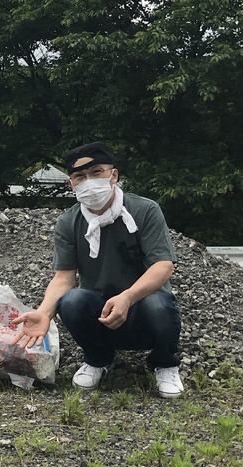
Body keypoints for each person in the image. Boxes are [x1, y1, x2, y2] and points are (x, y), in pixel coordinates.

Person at [10, 141, 184, 398]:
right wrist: (44, 313)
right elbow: (63, 278)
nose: (88, 181)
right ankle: (98, 359)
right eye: (80, 176)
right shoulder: (69, 222)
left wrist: (128, 297)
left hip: (144, 308)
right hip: (101, 313)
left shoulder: (145, 210)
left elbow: (163, 266)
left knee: (159, 304)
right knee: (71, 300)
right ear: (71, 184)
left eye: (96, 173)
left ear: (113, 175)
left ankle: (165, 363)